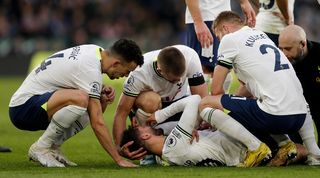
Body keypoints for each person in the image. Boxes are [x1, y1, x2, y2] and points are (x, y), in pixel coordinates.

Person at [200, 11, 320, 166]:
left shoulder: (229, 39)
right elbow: (252, 86)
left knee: (206, 104)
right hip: (301, 117)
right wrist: (232, 101)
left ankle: (256, 148)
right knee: (277, 95)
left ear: (225, 28)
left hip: (276, 117)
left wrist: (218, 110)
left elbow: (216, 90)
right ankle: (314, 152)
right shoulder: (262, 35)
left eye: (218, 36)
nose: (219, 40)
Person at [9, 39, 144, 167]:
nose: (126, 76)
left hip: (35, 102)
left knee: (98, 99)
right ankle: (42, 147)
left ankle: (52, 146)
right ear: (115, 63)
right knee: (81, 98)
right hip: (23, 108)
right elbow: (97, 122)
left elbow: (75, 76)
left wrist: (100, 88)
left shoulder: (95, 51)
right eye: (127, 71)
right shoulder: (90, 68)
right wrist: (118, 159)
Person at [121, 94, 272, 167]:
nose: (146, 124)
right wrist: (161, 115)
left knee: (296, 149)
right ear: (146, 135)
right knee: (206, 110)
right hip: (243, 147)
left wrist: (123, 152)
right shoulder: (174, 145)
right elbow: (194, 99)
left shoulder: (162, 158)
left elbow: (144, 155)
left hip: (235, 144)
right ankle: (257, 148)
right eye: (142, 127)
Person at [113, 45, 208, 160]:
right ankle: (148, 150)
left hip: (181, 101)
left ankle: (163, 144)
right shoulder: (139, 74)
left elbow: (201, 98)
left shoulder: (190, 56)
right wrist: (120, 148)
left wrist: (201, 123)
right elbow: (121, 113)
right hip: (152, 109)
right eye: (174, 80)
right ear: (160, 71)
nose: (180, 81)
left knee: (207, 110)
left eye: (182, 77)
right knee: (150, 101)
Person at [184, 0, 256, 88]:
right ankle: (201, 101)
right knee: (203, 70)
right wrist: (198, 22)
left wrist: (244, 2)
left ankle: (218, 100)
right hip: (205, 16)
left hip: (223, 14)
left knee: (225, 68)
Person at [278, 24, 320, 145]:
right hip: (295, 108)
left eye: (288, 48)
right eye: (280, 48)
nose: (283, 54)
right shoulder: (278, 60)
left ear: (303, 44)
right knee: (298, 151)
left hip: (318, 102)